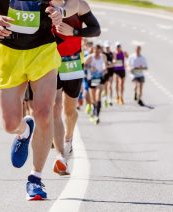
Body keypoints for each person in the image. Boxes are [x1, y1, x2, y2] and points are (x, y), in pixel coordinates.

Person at [0, 0, 79, 201]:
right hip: (7, 53)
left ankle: (35, 178)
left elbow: (76, 3)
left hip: (42, 50)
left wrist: (61, 11)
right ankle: (24, 131)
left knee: (44, 113)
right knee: (10, 124)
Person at [52, 0, 101, 175]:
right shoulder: (44, 4)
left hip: (72, 62)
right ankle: (61, 156)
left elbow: (96, 29)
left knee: (69, 111)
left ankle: (68, 140)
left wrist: (74, 32)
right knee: (55, 106)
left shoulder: (78, 5)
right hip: (51, 61)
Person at [85, 45, 107, 124]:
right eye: (95, 51)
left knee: (98, 96)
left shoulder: (103, 57)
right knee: (93, 99)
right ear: (93, 50)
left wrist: (104, 69)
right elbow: (83, 65)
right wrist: (90, 67)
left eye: (98, 51)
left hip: (99, 79)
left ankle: (97, 115)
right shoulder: (90, 57)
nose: (97, 53)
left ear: (100, 50)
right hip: (91, 79)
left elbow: (105, 64)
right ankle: (94, 109)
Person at [102, 41, 115, 108]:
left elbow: (114, 63)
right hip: (105, 72)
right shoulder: (103, 54)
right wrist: (108, 65)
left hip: (111, 72)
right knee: (105, 86)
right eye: (106, 47)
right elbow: (104, 64)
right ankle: (105, 99)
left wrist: (108, 65)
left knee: (110, 86)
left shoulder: (112, 54)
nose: (107, 48)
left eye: (108, 47)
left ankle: (110, 99)